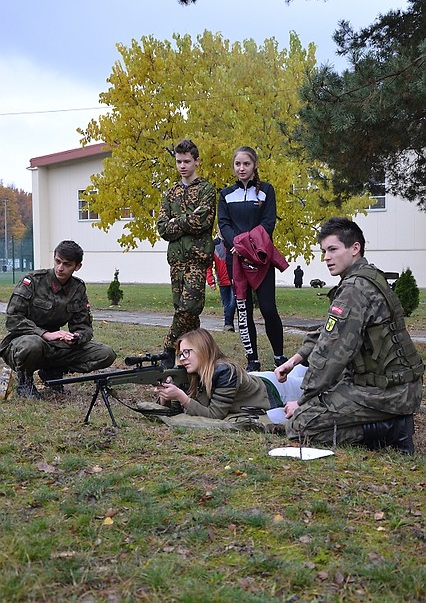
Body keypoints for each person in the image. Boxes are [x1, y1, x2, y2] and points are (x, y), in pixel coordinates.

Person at [275, 217, 424, 454]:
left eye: (333, 249)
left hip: (389, 392)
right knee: (318, 404)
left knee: (300, 425)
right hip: (392, 385)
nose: (326, 257)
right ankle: (389, 423)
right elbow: (329, 330)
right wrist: (295, 360)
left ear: (355, 248)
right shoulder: (365, 277)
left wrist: (303, 401)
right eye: (324, 251)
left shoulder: (355, 289)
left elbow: (331, 353)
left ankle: (393, 430)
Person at [0, 240, 116, 399]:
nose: (60, 268)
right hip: (22, 342)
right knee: (33, 344)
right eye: (58, 261)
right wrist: (45, 334)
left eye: (67, 264)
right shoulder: (33, 281)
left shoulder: (77, 288)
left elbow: (83, 326)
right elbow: (13, 320)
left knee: (105, 353)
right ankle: (25, 381)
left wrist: (77, 337)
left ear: (77, 266)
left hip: (55, 344)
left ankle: (53, 372)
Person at [218, 145, 287, 372]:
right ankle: (252, 359)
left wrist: (246, 246)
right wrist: (237, 246)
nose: (241, 168)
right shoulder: (226, 195)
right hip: (235, 259)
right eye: (237, 164)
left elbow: (268, 224)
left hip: (260, 259)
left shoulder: (267, 190)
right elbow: (224, 225)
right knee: (243, 310)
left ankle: (279, 356)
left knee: (268, 308)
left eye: (246, 164)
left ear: (254, 165)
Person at [157, 139, 216, 368]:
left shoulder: (206, 190)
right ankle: (190, 359)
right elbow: (163, 228)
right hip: (177, 261)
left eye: (187, 161)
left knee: (188, 308)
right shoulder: (171, 192)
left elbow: (202, 221)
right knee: (186, 316)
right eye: (179, 161)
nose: (182, 166)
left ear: (196, 161)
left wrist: (176, 221)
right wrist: (186, 221)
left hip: (196, 260)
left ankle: (168, 348)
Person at [155, 328, 299, 420]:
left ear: (203, 349)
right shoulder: (190, 372)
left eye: (187, 352)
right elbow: (176, 411)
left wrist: (181, 396)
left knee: (307, 383)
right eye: (180, 354)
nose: (182, 358)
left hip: (275, 389)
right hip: (254, 379)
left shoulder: (225, 371)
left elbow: (215, 414)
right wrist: (165, 395)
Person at [206, 229, 236, 331]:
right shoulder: (214, 244)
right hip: (222, 280)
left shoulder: (233, 240)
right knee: (227, 304)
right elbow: (208, 265)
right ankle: (229, 324)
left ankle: (228, 324)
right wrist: (211, 281)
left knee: (233, 303)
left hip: (234, 279)